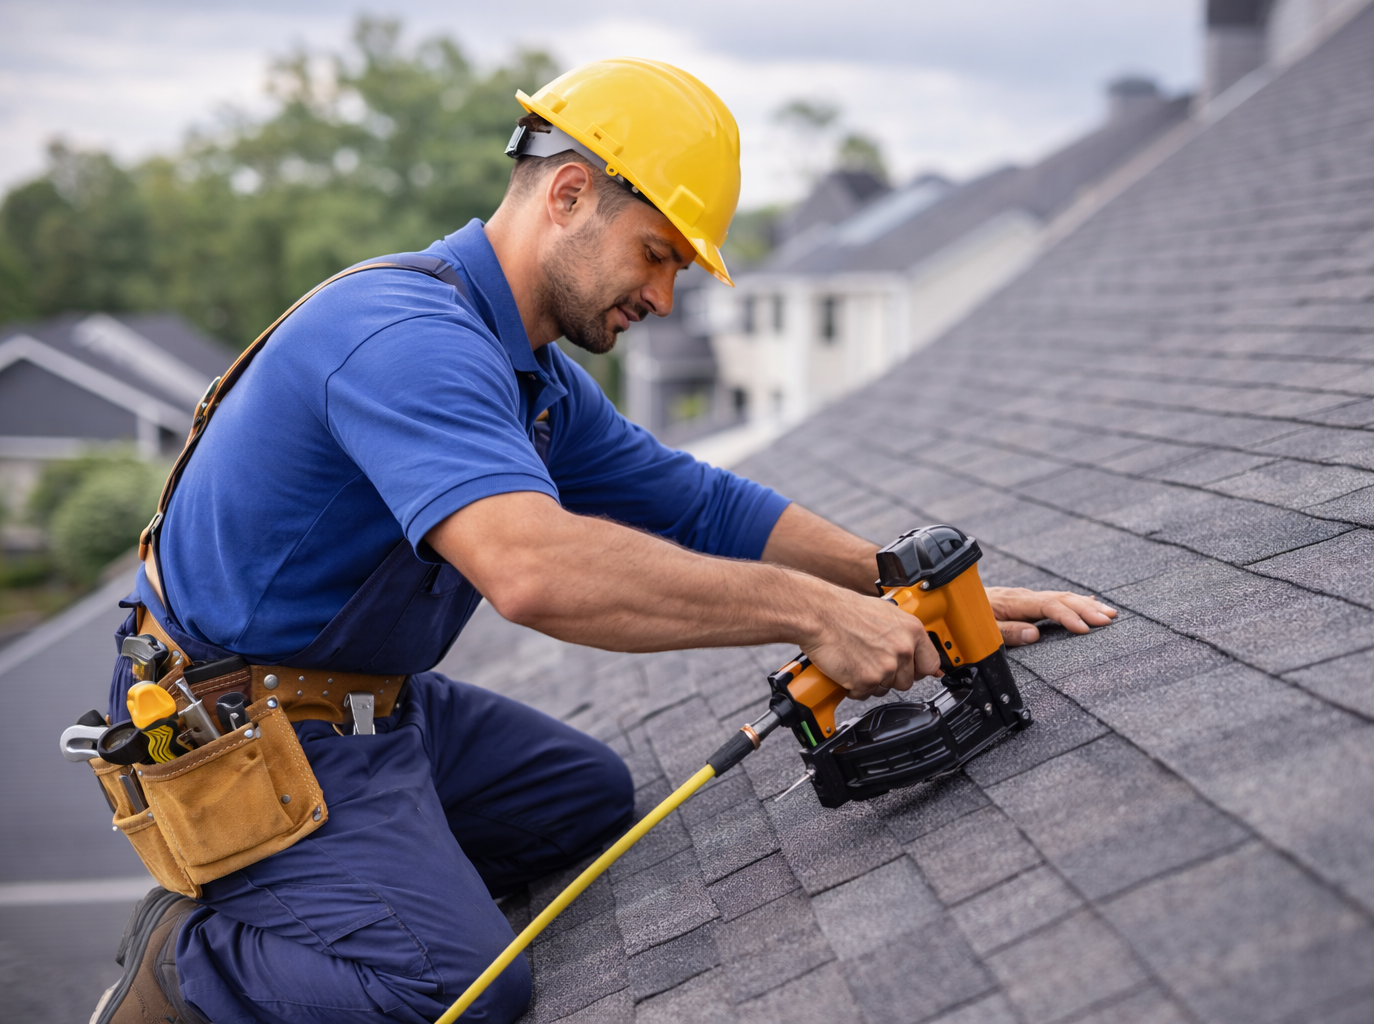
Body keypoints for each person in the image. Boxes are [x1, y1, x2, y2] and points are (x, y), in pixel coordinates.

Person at [93, 58, 1116, 1024]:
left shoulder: (528, 372)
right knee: (457, 990)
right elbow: (533, 570)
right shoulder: (404, 340)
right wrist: (815, 616)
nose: (664, 298)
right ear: (571, 193)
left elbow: (700, 504)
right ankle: (189, 960)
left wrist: (893, 578)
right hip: (244, 730)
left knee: (581, 802)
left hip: (374, 703)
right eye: (658, 254)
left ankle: (357, 892)